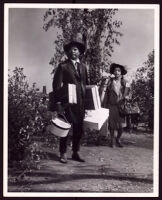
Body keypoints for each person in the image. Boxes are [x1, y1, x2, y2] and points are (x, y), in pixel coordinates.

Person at [52, 33, 89, 163]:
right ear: (68, 52)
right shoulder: (63, 66)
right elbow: (56, 86)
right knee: (65, 128)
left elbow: (86, 85)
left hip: (81, 103)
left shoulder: (84, 67)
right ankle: (63, 153)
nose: (74, 51)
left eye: (76, 49)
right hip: (67, 102)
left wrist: (89, 104)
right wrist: (58, 103)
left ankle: (76, 152)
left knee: (79, 129)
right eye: (72, 49)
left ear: (79, 52)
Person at [102, 63, 129, 148]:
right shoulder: (110, 81)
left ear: (121, 72)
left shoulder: (125, 82)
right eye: (115, 70)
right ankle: (112, 140)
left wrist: (128, 97)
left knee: (121, 126)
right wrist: (104, 105)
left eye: (119, 70)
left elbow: (129, 92)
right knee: (112, 125)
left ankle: (118, 139)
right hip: (111, 105)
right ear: (113, 72)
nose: (117, 72)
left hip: (121, 106)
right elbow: (105, 93)